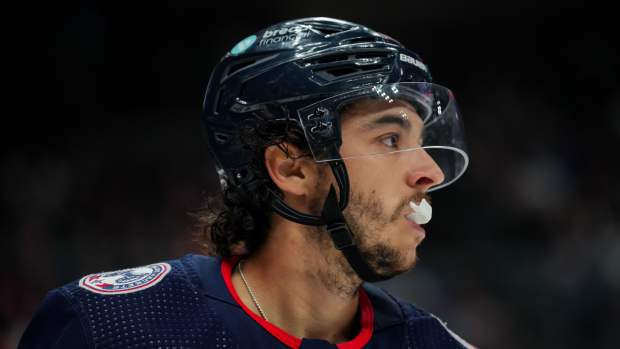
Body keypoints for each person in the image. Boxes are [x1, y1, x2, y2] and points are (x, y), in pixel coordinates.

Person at [19, 17, 474, 348]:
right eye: (390, 138)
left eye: (421, 141)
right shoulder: (109, 327)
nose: (430, 172)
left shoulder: (435, 343)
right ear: (292, 168)